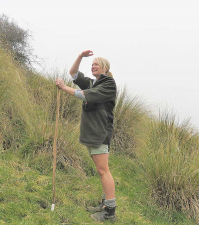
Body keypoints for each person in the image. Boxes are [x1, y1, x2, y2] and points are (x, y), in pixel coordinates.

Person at [55, 50, 117, 222]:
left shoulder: (108, 84)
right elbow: (73, 73)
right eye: (92, 64)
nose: (93, 66)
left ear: (104, 68)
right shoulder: (92, 82)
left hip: (101, 132)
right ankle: (105, 204)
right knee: (101, 170)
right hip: (92, 131)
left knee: (103, 170)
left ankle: (110, 212)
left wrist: (64, 87)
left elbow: (83, 95)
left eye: (96, 64)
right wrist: (81, 57)